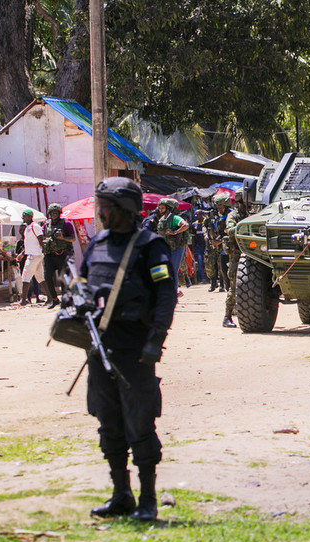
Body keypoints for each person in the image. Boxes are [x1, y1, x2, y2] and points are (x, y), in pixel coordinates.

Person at [80, 177, 176, 520]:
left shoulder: (151, 246)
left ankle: (148, 499)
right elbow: (81, 284)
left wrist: (155, 340)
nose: (101, 212)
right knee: (109, 423)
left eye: (106, 206)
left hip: (135, 351)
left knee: (140, 423)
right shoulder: (97, 244)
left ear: (124, 209)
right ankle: (121, 494)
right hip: (99, 349)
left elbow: (165, 296)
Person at [41, 203, 77, 309]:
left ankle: (65, 301)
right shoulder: (46, 225)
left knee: (63, 279)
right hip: (49, 255)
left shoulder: (66, 224)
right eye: (52, 213)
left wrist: (63, 238)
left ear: (59, 213)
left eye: (56, 213)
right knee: (47, 276)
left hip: (63, 254)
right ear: (49, 213)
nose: (54, 214)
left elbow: (73, 238)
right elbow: (44, 237)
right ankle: (55, 299)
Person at [222, 193, 249, 327]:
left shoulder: (250, 213)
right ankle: (227, 317)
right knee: (233, 287)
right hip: (236, 255)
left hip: (250, 254)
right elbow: (230, 230)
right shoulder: (233, 215)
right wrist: (246, 226)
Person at [155, 198, 189, 296]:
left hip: (177, 248)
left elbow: (185, 225)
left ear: (169, 208)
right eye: (159, 208)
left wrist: (175, 232)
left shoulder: (175, 218)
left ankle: (173, 293)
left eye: (162, 208)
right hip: (166, 248)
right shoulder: (162, 219)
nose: (160, 210)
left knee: (173, 270)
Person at [17, 209, 47, 306]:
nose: (23, 218)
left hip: (34, 255)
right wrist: (23, 253)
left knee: (25, 276)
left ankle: (23, 300)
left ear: (30, 216)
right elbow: (29, 244)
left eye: (25, 216)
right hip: (33, 254)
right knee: (40, 277)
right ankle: (51, 298)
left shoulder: (35, 226)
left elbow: (41, 240)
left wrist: (41, 251)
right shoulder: (28, 227)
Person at [190, 210, 208, 286]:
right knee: (200, 262)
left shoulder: (206, 223)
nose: (196, 215)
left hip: (206, 245)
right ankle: (203, 278)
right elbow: (193, 238)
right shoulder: (194, 225)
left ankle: (210, 277)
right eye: (195, 214)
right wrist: (193, 248)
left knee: (208, 261)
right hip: (199, 247)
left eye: (198, 214)